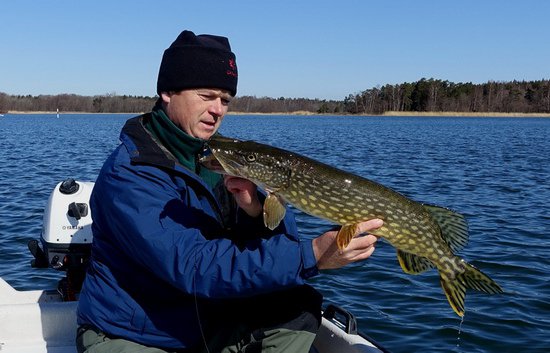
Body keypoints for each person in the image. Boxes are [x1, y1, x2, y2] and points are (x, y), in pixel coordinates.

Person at [76, 30, 382, 353]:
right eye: (207, 96)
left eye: (225, 100)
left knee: (298, 307)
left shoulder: (218, 158)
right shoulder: (129, 175)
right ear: (168, 91)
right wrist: (314, 255)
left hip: (203, 321)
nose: (218, 110)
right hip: (134, 336)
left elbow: (276, 246)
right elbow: (195, 265)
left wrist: (254, 211)